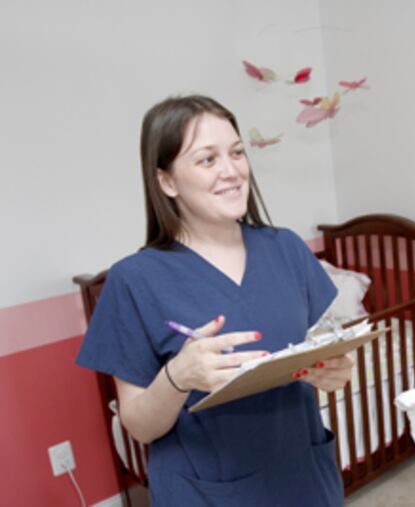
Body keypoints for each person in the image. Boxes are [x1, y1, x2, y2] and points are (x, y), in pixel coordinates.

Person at [76, 95, 352, 506]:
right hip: (205, 491)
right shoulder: (134, 281)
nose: (232, 171)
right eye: (207, 160)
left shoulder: (287, 250)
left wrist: (336, 370)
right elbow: (140, 427)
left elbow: (318, 351)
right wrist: (178, 377)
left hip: (302, 478)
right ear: (166, 181)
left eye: (237, 153)